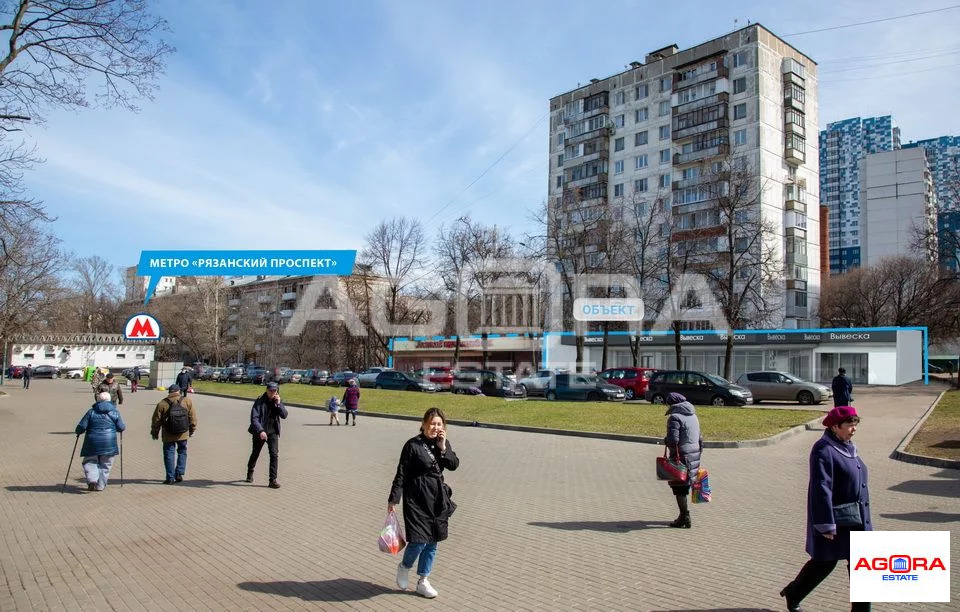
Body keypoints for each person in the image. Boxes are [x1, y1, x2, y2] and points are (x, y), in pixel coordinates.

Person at [780, 406, 871, 612]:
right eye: (849, 425)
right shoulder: (823, 449)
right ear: (835, 426)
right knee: (824, 563)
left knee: (863, 568)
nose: (854, 429)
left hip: (858, 519)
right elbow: (821, 488)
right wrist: (825, 525)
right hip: (837, 521)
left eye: (855, 424)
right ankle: (794, 593)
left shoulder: (848, 446)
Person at [388, 407, 460, 599]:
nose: (435, 427)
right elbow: (401, 473)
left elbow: (453, 465)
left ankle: (423, 581)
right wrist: (394, 498)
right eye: (432, 424)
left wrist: (444, 448)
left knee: (433, 542)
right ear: (424, 425)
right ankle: (404, 567)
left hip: (437, 500)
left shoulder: (442, 444)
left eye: (439, 424)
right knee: (419, 540)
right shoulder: (413, 445)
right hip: (416, 500)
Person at [663, 392, 702, 529]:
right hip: (694, 454)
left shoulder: (675, 417)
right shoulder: (693, 415)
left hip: (681, 456)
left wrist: (666, 441)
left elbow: (673, 441)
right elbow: (700, 438)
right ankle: (684, 515)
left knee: (679, 487)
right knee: (685, 485)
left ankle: (684, 516)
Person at [75, 392, 126, 491]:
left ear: (98, 400)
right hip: (109, 442)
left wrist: (78, 432)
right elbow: (121, 427)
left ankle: (92, 480)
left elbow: (82, 426)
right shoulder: (115, 412)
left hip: (92, 442)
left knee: (90, 461)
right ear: (109, 400)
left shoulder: (91, 411)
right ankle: (100, 486)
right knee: (106, 465)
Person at [150, 384, 197, 484]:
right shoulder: (187, 401)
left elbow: (156, 420)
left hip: (168, 434)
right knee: (182, 452)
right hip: (183, 433)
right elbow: (192, 417)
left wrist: (155, 433)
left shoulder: (162, 403)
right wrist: (192, 430)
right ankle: (179, 473)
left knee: (169, 454)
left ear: (169, 392)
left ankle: (170, 478)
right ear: (178, 391)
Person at [246, 381, 288, 488]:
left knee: (274, 455)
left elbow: (284, 415)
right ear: (267, 390)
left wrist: (279, 404)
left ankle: (272, 480)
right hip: (260, 432)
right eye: (270, 390)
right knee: (255, 453)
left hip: (273, 432)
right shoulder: (260, 401)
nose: (273, 392)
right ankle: (250, 471)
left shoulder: (277, 400)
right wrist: (261, 431)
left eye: (275, 391)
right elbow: (254, 418)